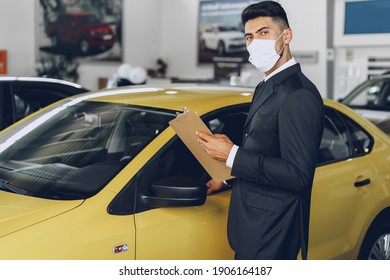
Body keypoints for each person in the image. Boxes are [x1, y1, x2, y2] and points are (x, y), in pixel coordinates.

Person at [196, 1, 324, 260]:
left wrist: (232, 155)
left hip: (273, 230)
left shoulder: (299, 95)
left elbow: (298, 175)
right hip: (252, 224)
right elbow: (265, 148)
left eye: (264, 33)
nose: (255, 42)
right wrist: (228, 173)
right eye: (249, 37)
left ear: (286, 35)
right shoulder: (265, 86)